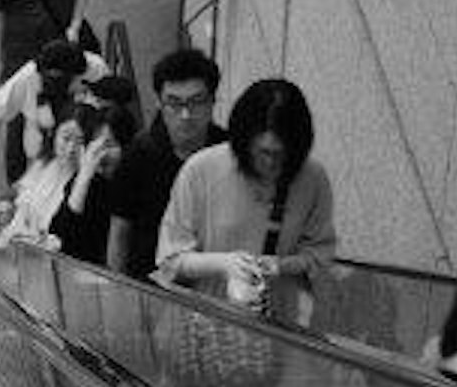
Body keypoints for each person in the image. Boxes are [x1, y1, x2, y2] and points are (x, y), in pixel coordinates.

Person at [159, 78, 337, 324]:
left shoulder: (312, 177)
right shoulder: (201, 170)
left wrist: (280, 266)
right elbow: (170, 261)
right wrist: (224, 263)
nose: (273, 163)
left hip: (280, 328)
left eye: (283, 155)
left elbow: (319, 254)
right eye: (264, 152)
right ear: (243, 142)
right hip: (208, 324)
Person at [101, 45, 222, 279]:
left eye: (196, 102)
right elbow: (119, 231)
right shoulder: (137, 156)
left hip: (212, 286)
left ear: (212, 101)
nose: (185, 115)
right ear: (159, 102)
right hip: (149, 287)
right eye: (174, 103)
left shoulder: (227, 151)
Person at [0, 36, 92, 203]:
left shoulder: (94, 70)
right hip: (40, 136)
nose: (56, 81)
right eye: (50, 76)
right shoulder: (28, 75)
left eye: (61, 77)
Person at [45, 76, 139, 265]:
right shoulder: (86, 183)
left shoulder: (137, 186)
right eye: (94, 145)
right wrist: (85, 176)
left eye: (110, 144)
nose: (101, 154)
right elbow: (61, 233)